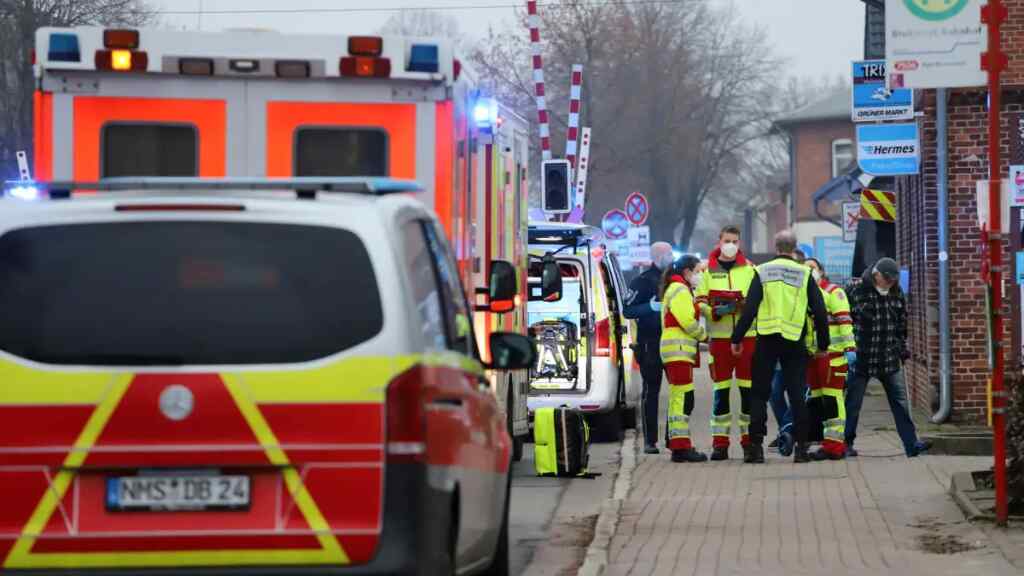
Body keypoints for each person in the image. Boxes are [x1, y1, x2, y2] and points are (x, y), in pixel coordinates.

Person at [731, 230, 830, 464]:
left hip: (766, 339)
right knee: (796, 393)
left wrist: (736, 338)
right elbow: (819, 311)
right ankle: (802, 449)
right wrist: (823, 344)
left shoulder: (762, 271)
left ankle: (755, 448)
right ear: (795, 249)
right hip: (794, 338)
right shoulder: (805, 273)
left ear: (775, 248)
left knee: (759, 393)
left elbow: (750, 308)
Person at [844, 258, 933, 458]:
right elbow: (843, 319)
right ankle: (846, 443)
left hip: (889, 358)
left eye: (894, 280)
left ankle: (911, 444)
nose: (891, 283)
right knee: (853, 404)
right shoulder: (855, 289)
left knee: (900, 403)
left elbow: (901, 323)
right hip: (861, 359)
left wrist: (902, 347)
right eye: (887, 279)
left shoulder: (896, 292)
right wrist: (847, 348)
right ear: (876, 275)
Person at [695, 225, 756, 461]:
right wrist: (714, 312)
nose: (731, 245)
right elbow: (698, 301)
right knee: (720, 393)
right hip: (719, 340)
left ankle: (749, 443)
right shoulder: (707, 271)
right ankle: (720, 444)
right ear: (719, 241)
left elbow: (757, 300)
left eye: (735, 241)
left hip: (747, 338)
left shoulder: (750, 269)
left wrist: (744, 307)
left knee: (747, 393)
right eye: (727, 240)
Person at [624, 241, 676, 454]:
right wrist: (649, 307)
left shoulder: (676, 280)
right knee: (651, 392)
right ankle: (650, 440)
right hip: (650, 344)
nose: (672, 257)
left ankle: (673, 437)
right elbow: (628, 309)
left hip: (673, 343)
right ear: (658, 256)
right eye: (669, 253)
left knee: (679, 392)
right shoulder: (642, 281)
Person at [803, 258, 856, 460]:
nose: (809, 271)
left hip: (834, 355)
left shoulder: (835, 292)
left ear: (821, 271)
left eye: (812, 268)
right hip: (814, 355)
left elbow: (844, 321)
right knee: (818, 400)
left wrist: (850, 348)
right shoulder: (804, 294)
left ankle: (835, 446)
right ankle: (825, 442)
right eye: (805, 268)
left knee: (833, 398)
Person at [659, 255, 709, 463]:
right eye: (697, 271)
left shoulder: (678, 288)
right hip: (678, 350)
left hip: (676, 350)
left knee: (679, 398)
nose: (699, 275)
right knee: (683, 399)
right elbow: (687, 321)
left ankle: (675, 442)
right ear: (687, 272)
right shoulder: (680, 290)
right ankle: (681, 447)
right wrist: (705, 336)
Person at [767, 250, 808, 454]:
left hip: (801, 351)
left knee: (798, 395)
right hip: (777, 351)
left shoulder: (806, 284)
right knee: (774, 394)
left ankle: (790, 432)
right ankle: (788, 430)